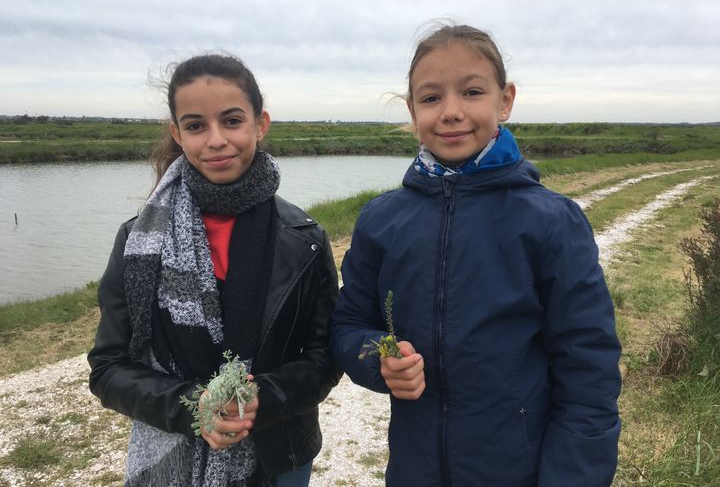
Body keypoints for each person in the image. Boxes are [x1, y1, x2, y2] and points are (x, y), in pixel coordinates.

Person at [330, 24, 622, 486]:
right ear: (412, 111)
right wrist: (377, 360)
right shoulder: (380, 220)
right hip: (414, 470)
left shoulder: (551, 221)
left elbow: (589, 369)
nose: (451, 112)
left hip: (516, 470)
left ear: (504, 100)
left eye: (471, 92)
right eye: (430, 98)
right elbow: (348, 326)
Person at [88, 54, 341, 487]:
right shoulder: (138, 241)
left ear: (260, 125)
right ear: (177, 134)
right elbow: (108, 367)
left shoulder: (306, 239)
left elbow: (325, 356)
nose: (216, 140)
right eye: (196, 125)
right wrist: (191, 406)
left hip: (281, 453)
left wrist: (268, 397)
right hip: (173, 450)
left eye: (232, 120)